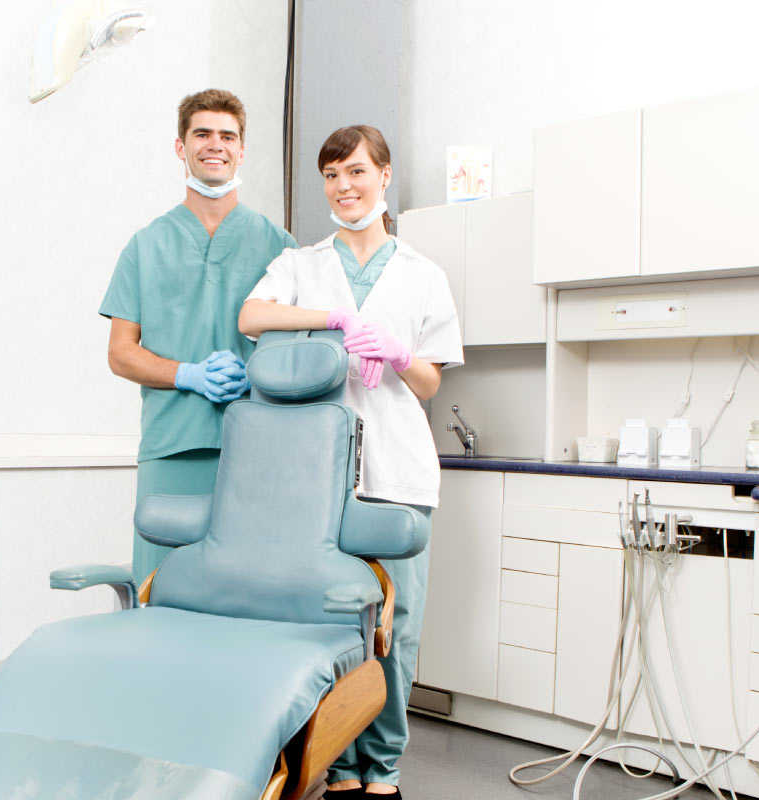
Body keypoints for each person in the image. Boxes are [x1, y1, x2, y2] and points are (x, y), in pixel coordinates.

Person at [238, 125, 463, 799]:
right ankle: (333, 764)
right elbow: (251, 316)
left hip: (398, 475)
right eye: (331, 175)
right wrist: (334, 317)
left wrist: (396, 350)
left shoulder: (425, 276)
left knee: (395, 633)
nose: (344, 187)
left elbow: (428, 384)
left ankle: (382, 770)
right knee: (328, 626)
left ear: (385, 176)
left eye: (356, 172)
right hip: (318, 479)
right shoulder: (304, 265)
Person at [100, 89, 297, 585]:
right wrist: (188, 375)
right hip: (172, 447)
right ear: (180, 146)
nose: (216, 145)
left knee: (246, 590)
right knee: (160, 587)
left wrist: (253, 377)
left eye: (227, 136)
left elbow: (298, 351)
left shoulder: (279, 245)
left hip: (254, 446)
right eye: (202, 134)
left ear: (242, 150)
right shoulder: (146, 246)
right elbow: (121, 354)